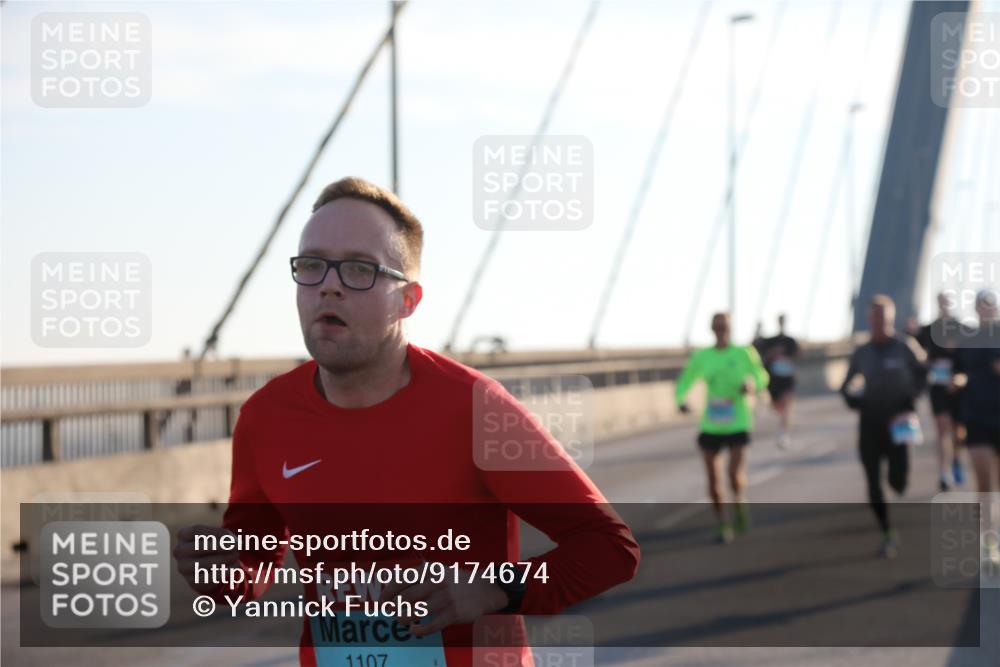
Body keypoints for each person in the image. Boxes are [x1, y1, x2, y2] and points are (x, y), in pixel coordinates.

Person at [173, 177, 640, 667]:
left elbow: (610, 549)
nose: (328, 284)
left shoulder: (476, 410)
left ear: (408, 301)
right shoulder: (265, 418)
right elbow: (247, 569)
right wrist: (214, 569)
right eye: (311, 266)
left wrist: (493, 590)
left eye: (358, 269)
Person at [840, 295, 927, 558]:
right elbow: (846, 386)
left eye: (883, 317)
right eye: (875, 317)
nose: (879, 322)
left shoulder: (904, 346)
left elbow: (923, 371)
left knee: (899, 481)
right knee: (873, 482)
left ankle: (897, 484)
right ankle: (887, 530)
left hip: (899, 423)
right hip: (870, 423)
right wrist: (855, 400)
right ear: (869, 319)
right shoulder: (862, 352)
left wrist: (912, 400)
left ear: (891, 319)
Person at [676, 312, 769, 543]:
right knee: (713, 480)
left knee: (734, 474)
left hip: (738, 421)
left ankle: (739, 503)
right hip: (712, 424)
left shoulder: (743, 353)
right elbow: (686, 379)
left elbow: (761, 377)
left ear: (730, 329)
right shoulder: (703, 357)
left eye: (725, 327)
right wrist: (681, 400)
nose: (721, 331)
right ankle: (722, 523)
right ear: (712, 329)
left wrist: (751, 385)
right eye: (717, 327)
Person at [953, 288, 1000, 565]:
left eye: (990, 306)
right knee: (984, 482)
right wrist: (956, 380)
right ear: (976, 309)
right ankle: (989, 543)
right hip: (977, 418)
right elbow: (957, 369)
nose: (987, 310)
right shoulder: (966, 340)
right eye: (982, 306)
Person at [916, 292, 966, 491]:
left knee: (957, 432)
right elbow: (916, 350)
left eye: (947, 302)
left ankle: (956, 459)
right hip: (938, 386)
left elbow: (968, 358)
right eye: (940, 302)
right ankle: (944, 473)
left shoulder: (961, 329)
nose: (944, 305)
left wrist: (960, 378)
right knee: (941, 429)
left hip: (958, 385)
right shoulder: (929, 329)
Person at [761, 314, 800, 450]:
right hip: (774, 379)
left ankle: (784, 434)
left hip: (787, 378)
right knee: (778, 407)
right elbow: (760, 352)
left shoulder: (790, 341)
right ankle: (782, 428)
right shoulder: (771, 341)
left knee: (786, 406)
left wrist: (786, 357)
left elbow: (797, 355)